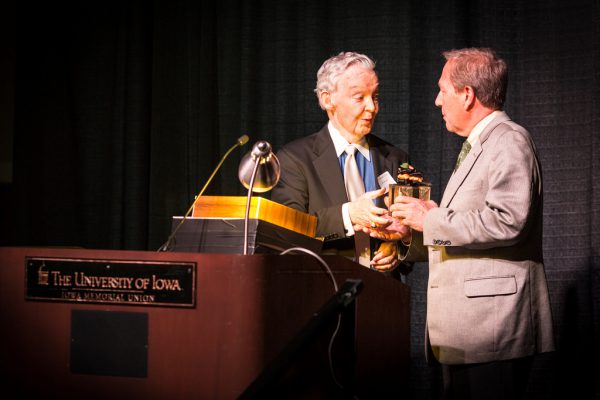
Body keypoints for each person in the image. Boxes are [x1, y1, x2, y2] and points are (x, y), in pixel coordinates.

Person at [357, 47, 555, 399]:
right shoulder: (481, 144)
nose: (436, 101)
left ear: (467, 95)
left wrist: (430, 217)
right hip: (469, 333)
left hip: (492, 331)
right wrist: (409, 233)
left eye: (442, 90)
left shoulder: (509, 140)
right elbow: (460, 230)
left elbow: (508, 222)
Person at [270, 51, 408, 271]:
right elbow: (288, 231)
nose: (372, 107)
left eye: (375, 96)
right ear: (328, 100)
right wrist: (349, 215)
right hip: (324, 289)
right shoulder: (294, 159)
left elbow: (413, 230)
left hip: (383, 295)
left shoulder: (394, 158)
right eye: (359, 97)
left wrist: (396, 247)